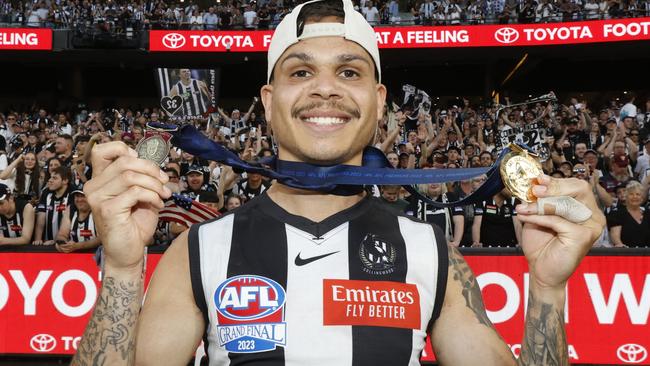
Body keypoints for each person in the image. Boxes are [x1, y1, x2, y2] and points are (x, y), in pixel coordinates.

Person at [74, 1, 606, 365]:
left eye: (349, 72)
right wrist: (121, 268)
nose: (325, 89)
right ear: (267, 101)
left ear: (378, 101)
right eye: (300, 72)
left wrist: (548, 288)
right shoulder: (199, 250)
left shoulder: (431, 252)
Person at [55, 188, 101, 253]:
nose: (79, 200)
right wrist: (63, 244)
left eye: (83, 196)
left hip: (96, 254)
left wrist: (78, 246)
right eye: (77, 196)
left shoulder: (97, 210)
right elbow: (62, 233)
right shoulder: (70, 210)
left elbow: (101, 239)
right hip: (74, 253)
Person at [33, 166, 70, 245]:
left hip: (67, 244)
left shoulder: (73, 194)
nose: (50, 180)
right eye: (50, 177)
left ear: (65, 180)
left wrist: (56, 241)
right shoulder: (46, 192)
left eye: (55, 178)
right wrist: (38, 239)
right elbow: (41, 216)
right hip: (46, 242)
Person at [608, 180, 650, 248]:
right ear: (626, 197)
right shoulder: (616, 213)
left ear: (642, 198)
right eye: (631, 194)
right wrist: (620, 246)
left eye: (638, 194)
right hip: (627, 253)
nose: (635, 197)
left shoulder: (648, 213)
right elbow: (616, 238)